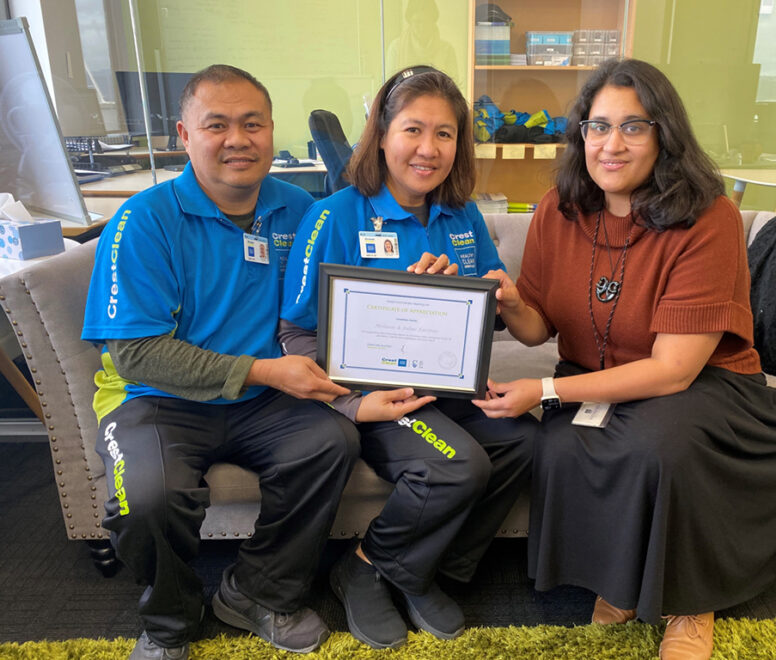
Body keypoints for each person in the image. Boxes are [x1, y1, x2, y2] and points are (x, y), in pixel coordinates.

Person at [473, 59, 776, 660]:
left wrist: (541, 394)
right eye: (597, 127)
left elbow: (673, 370)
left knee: (659, 445)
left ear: (664, 134)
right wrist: (511, 300)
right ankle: (619, 584)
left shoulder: (708, 217)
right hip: (593, 375)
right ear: (580, 135)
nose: (610, 144)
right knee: (562, 445)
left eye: (633, 127)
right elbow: (538, 328)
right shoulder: (555, 210)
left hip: (702, 383)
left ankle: (693, 602)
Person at [81, 65, 361, 660]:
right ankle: (170, 622)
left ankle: (255, 592)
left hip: (266, 401)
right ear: (185, 135)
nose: (238, 139)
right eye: (218, 125)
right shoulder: (144, 220)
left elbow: (333, 303)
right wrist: (261, 371)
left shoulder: (301, 210)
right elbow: (133, 352)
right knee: (145, 496)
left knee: (331, 444)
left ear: (271, 131)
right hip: (155, 399)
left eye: (252, 123)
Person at [279, 66, 536, 650]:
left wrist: (479, 302)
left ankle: (420, 571)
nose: (428, 148)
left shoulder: (463, 216)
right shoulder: (335, 215)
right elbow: (293, 332)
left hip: (446, 383)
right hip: (375, 396)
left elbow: (487, 313)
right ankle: (363, 567)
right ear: (382, 134)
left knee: (525, 441)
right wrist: (352, 401)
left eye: (445, 134)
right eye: (413, 130)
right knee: (458, 466)